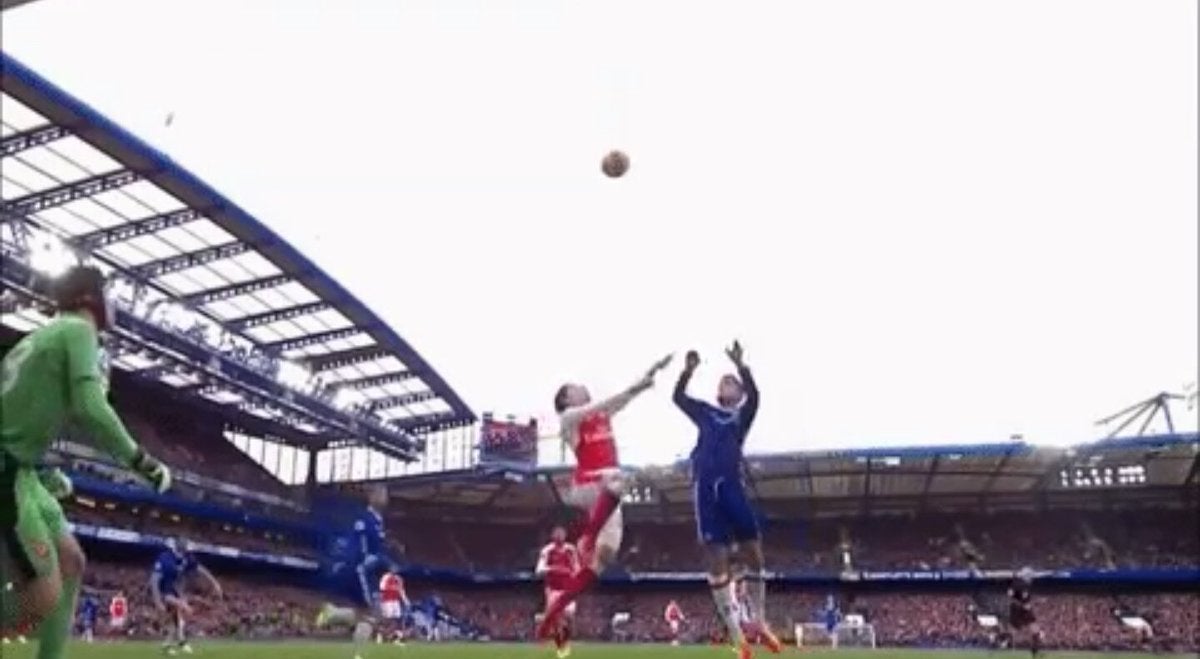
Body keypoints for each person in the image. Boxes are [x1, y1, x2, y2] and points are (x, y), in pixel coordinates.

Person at [0, 264, 171, 659]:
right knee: (42, 595)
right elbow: (92, 408)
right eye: (108, 294)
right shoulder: (80, 331)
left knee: (72, 561)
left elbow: (19, 411)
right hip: (6, 470)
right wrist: (142, 462)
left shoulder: (47, 335)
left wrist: (41, 471)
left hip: (22, 471)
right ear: (90, 298)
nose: (113, 304)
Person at [535, 354, 673, 639]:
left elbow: (622, 399)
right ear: (566, 400)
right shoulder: (569, 418)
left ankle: (556, 609)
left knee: (604, 556)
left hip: (609, 491)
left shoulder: (600, 415)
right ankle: (588, 535)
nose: (583, 388)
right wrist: (638, 386)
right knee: (621, 479)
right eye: (575, 388)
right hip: (588, 485)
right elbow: (611, 401)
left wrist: (648, 376)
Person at [673, 342, 777, 657]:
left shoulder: (741, 416)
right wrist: (687, 371)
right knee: (716, 561)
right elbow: (678, 398)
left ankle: (758, 621)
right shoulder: (705, 412)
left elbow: (757, 397)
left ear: (740, 392)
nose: (725, 382)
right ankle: (738, 638)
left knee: (754, 551)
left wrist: (742, 364)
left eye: (732, 381)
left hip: (731, 485)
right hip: (705, 488)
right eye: (723, 380)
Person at [149, 538, 223, 656]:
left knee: (176, 622)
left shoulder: (186, 558)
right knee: (181, 613)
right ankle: (181, 643)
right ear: (180, 548)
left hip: (175, 590)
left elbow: (200, 569)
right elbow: (154, 580)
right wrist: (158, 601)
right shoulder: (165, 558)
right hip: (162, 590)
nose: (189, 552)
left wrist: (215, 583)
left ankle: (171, 645)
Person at [535, 526, 580, 658]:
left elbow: (577, 568)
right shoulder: (547, 550)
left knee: (569, 615)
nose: (559, 536)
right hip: (553, 589)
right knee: (557, 618)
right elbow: (539, 570)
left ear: (565, 535)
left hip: (568, 589)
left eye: (562, 533)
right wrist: (555, 569)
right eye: (557, 533)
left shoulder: (571, 550)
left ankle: (547, 625)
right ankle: (562, 647)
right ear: (552, 535)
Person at [1007, 568, 1044, 657]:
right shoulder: (1023, 586)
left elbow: (1010, 594)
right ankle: (1034, 652)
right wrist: (1025, 604)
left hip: (1016, 608)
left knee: (1020, 630)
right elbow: (1024, 602)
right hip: (1020, 609)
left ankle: (1035, 652)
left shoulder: (1016, 583)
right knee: (1034, 630)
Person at [378, 570, 409, 644]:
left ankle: (394, 637)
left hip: (395, 601)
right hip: (387, 601)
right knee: (388, 619)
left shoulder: (399, 579)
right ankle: (381, 635)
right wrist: (392, 588)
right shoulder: (386, 577)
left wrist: (406, 600)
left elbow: (401, 590)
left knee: (397, 619)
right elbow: (382, 588)